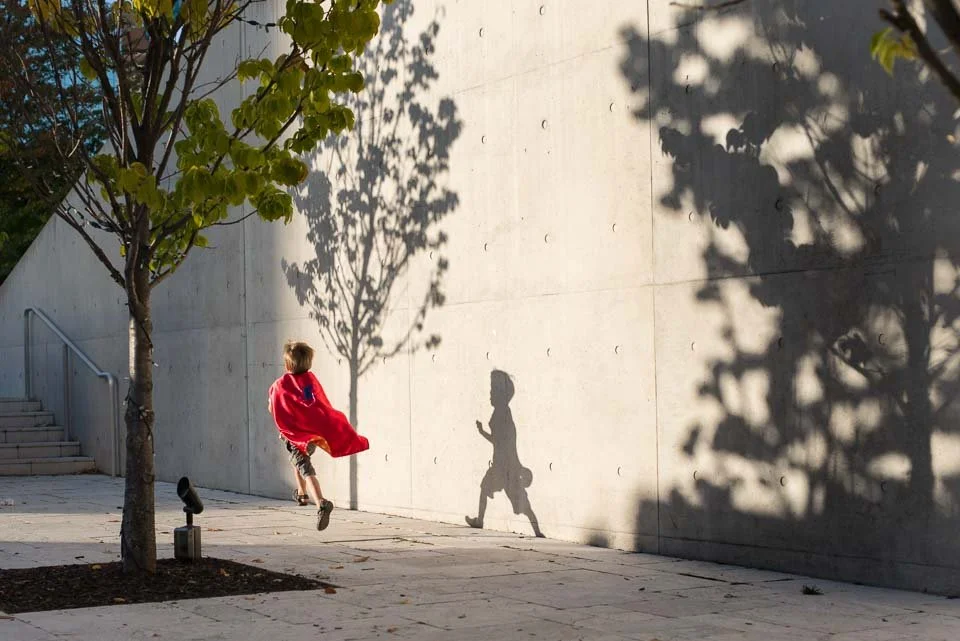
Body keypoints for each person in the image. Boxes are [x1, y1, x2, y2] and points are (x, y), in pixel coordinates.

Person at [268, 340, 370, 530]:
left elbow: (273, 406)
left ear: (287, 364)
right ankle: (301, 494)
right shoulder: (309, 380)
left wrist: (284, 417)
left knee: (305, 468)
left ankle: (321, 502)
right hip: (312, 435)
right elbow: (312, 403)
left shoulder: (280, 385)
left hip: (296, 436)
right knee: (297, 462)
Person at [465, 370, 544, 537]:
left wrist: (482, 432)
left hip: (505, 466)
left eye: (493, 391)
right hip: (502, 465)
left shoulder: (502, 413)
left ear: (501, 394)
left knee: (522, 505)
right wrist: (483, 432)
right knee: (485, 488)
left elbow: (501, 441)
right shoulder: (501, 412)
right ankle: (480, 520)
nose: (490, 394)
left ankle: (538, 531)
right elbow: (499, 441)